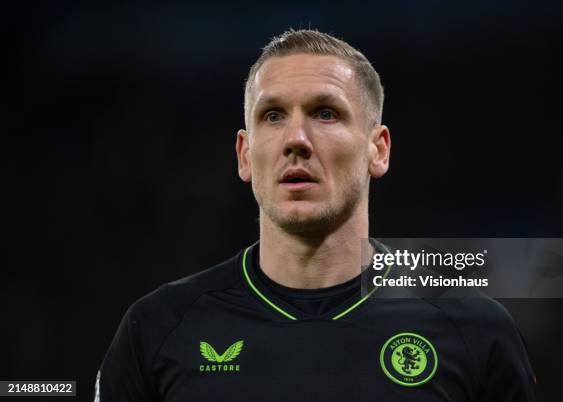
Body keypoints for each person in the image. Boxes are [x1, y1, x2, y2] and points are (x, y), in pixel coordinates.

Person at [95, 29, 537, 401]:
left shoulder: (474, 330)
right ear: (245, 155)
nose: (296, 139)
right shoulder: (156, 330)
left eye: (325, 113)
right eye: (272, 116)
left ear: (377, 150)